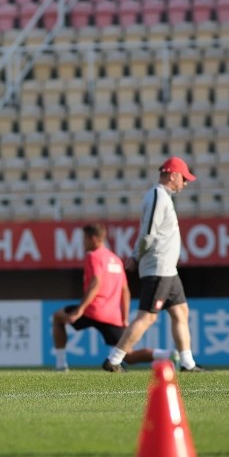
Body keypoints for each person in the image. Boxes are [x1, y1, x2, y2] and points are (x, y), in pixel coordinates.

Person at [103, 157, 206, 372]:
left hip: (168, 269)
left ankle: (188, 363)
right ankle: (114, 359)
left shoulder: (161, 197)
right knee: (147, 316)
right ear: (173, 175)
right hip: (159, 268)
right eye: (184, 178)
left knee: (181, 312)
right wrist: (136, 256)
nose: (185, 184)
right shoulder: (158, 196)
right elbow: (148, 233)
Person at [52, 223, 177, 371]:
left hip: (92, 310)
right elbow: (125, 291)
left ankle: (61, 365)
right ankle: (167, 354)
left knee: (58, 317)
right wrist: (124, 318)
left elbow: (96, 283)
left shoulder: (93, 256)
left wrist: (80, 310)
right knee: (127, 355)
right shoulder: (116, 259)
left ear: (93, 239)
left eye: (84, 238)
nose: (83, 242)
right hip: (112, 316)